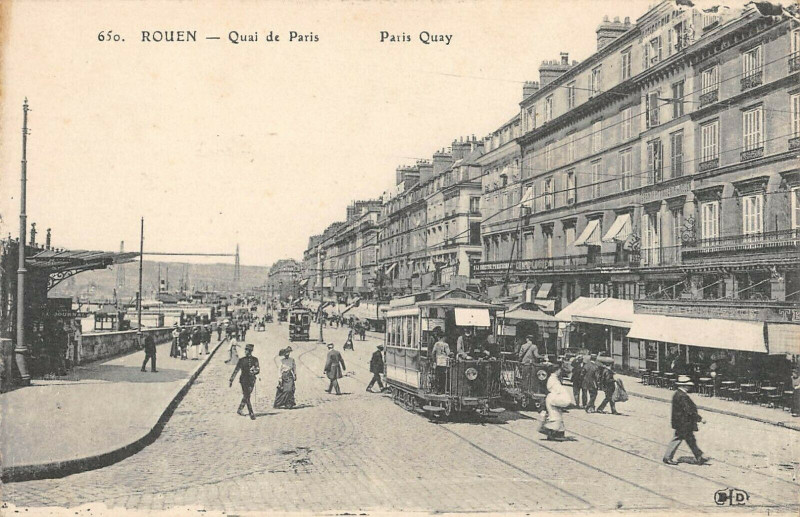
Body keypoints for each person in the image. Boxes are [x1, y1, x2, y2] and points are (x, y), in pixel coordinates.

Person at [663, 376, 710, 465]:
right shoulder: (682, 396)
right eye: (688, 385)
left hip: (682, 422)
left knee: (690, 439)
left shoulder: (677, 394)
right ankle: (667, 457)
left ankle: (699, 456)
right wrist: (700, 419)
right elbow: (689, 410)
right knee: (678, 439)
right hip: (683, 423)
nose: (689, 387)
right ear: (684, 386)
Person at [540, 363, 574, 441]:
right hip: (553, 399)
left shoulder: (553, 378)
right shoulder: (552, 379)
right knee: (555, 417)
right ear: (556, 371)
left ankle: (558, 433)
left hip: (554, 398)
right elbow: (555, 389)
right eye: (559, 370)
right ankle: (553, 434)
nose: (560, 372)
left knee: (557, 417)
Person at [229, 343, 260, 420]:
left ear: (250, 351)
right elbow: (236, 370)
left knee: (247, 395)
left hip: (252, 380)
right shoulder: (241, 360)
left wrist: (254, 371)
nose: (245, 351)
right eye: (245, 350)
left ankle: (240, 409)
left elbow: (258, 369)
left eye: (247, 350)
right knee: (247, 395)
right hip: (243, 380)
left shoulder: (255, 359)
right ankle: (251, 412)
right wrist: (231, 379)